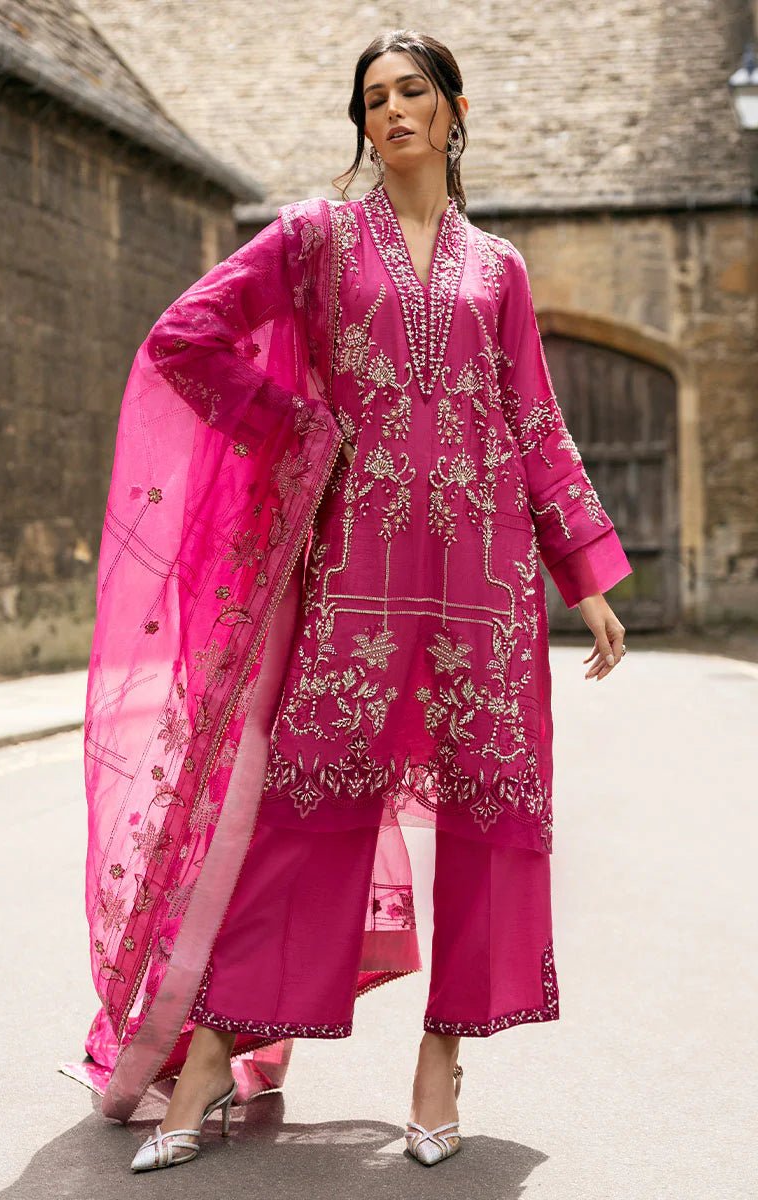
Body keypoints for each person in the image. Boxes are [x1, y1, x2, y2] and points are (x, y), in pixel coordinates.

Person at [71, 28, 631, 1172]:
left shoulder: (499, 269)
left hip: (483, 582)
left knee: (492, 810)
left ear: (453, 106)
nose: (391, 111)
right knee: (303, 812)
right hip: (355, 579)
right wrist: (297, 429)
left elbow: (530, 419)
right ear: (360, 122)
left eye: (411, 90)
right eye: (371, 98)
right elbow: (187, 337)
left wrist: (584, 572)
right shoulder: (317, 239)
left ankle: (442, 1058)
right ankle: (205, 1056)